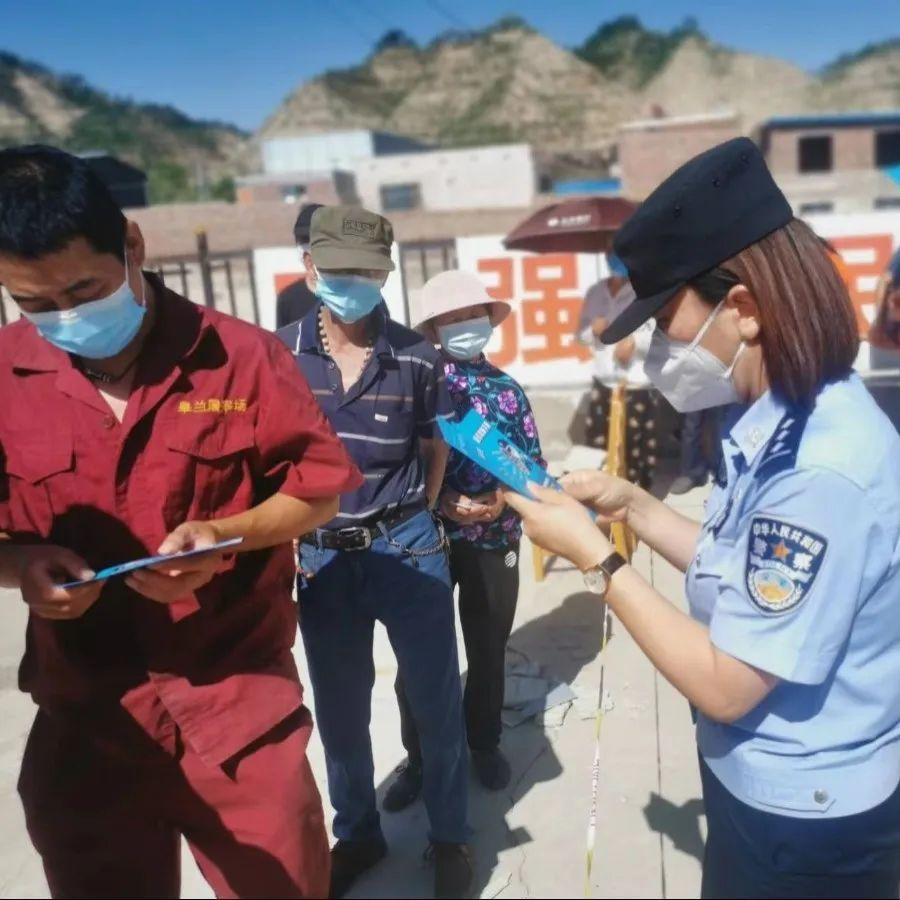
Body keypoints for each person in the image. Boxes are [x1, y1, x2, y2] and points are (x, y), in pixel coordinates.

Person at [504, 138, 900, 898]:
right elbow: (749, 578)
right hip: (768, 786)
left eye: (665, 320)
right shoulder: (785, 413)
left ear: (743, 310)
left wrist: (599, 560)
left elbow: (726, 684)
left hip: (804, 819)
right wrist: (637, 509)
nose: (660, 348)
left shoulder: (819, 466)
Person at [0, 146, 364, 898]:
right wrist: (22, 568)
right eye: (32, 303)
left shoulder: (241, 358)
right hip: (88, 722)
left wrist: (228, 533)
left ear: (131, 246)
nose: (64, 317)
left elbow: (319, 492)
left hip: (237, 710)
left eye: (83, 288)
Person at [277, 207, 473, 900]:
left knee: (435, 699)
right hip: (324, 561)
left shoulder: (417, 357)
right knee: (339, 710)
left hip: (409, 547)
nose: (353, 284)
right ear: (310, 270)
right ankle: (357, 834)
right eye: (338, 272)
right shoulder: (279, 357)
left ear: (386, 273)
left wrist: (423, 512)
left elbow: (434, 443)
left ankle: (451, 836)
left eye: (367, 272)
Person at [385, 270, 544, 807]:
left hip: (496, 538)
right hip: (426, 540)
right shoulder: (415, 385)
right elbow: (398, 460)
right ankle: (420, 757)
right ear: (432, 329)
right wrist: (442, 499)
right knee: (419, 657)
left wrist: (501, 498)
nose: (464, 326)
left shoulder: (509, 391)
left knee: (487, 647)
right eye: (451, 319)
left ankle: (485, 742)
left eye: (471, 316)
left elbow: (532, 468)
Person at [577, 253, 658, 489]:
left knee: (635, 450)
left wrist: (635, 342)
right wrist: (591, 331)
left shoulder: (647, 291)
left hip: (636, 383)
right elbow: (580, 335)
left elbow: (661, 335)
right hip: (603, 380)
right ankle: (603, 501)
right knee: (598, 447)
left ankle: (637, 504)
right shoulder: (595, 292)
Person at [276, 202, 323, 329]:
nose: (308, 246)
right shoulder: (287, 299)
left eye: (317, 239)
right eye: (303, 239)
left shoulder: (349, 297)